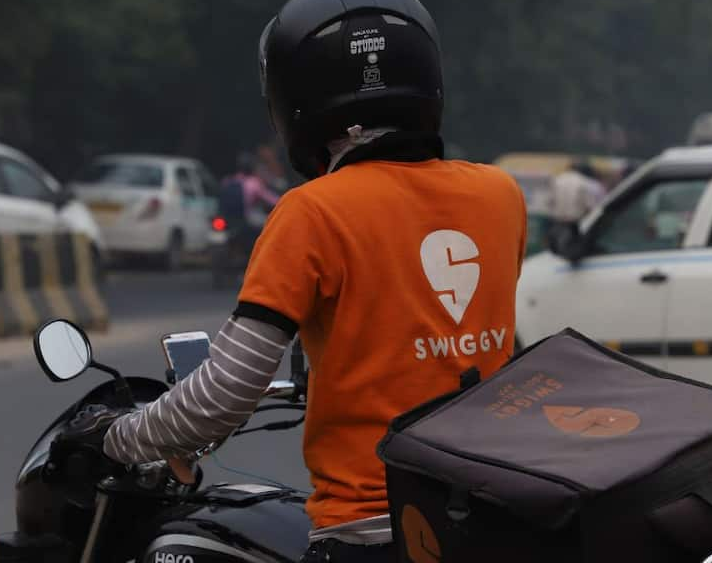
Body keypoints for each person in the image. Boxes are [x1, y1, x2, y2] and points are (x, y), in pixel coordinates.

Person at [103, 1, 526, 561]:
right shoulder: (500, 195)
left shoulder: (312, 212)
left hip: (373, 533)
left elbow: (224, 394)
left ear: (292, 96)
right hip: (495, 523)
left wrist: (117, 437)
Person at [549, 160, 606, 232]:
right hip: (575, 221)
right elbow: (589, 204)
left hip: (558, 219)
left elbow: (550, 201)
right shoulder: (583, 181)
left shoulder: (557, 180)